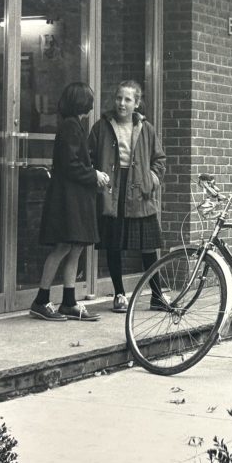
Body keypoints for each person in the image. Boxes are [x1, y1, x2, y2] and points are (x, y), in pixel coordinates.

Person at [32, 82, 111, 321]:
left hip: (74, 197)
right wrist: (94, 175)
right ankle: (41, 300)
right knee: (64, 247)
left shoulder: (72, 125)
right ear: (82, 103)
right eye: (89, 100)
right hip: (69, 198)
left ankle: (69, 302)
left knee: (74, 247)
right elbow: (70, 164)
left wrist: (93, 174)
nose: (91, 105)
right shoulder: (71, 127)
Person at [88, 80, 167, 313]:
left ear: (137, 103)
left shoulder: (146, 128)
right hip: (113, 190)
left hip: (139, 191)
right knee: (114, 244)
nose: (122, 103)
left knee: (148, 246)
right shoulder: (101, 127)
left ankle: (157, 295)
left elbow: (159, 159)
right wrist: (96, 175)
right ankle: (119, 295)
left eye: (128, 99)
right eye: (118, 98)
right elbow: (88, 156)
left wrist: (150, 180)